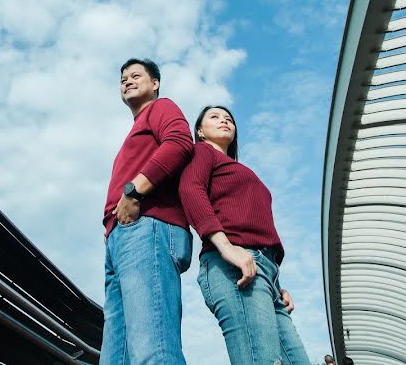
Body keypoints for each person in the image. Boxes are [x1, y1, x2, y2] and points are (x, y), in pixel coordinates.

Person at [179, 105, 312, 365]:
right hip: (232, 267)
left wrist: (276, 283)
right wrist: (226, 247)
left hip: (264, 273)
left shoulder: (235, 168)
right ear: (200, 131)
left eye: (229, 118)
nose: (224, 121)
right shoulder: (202, 152)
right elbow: (190, 190)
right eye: (214, 117)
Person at [100, 58, 194, 365]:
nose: (127, 80)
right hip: (120, 240)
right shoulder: (134, 131)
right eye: (123, 78)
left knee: (153, 350)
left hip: (148, 228)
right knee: (116, 357)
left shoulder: (160, 107)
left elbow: (180, 142)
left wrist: (133, 190)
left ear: (155, 83)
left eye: (135, 75)